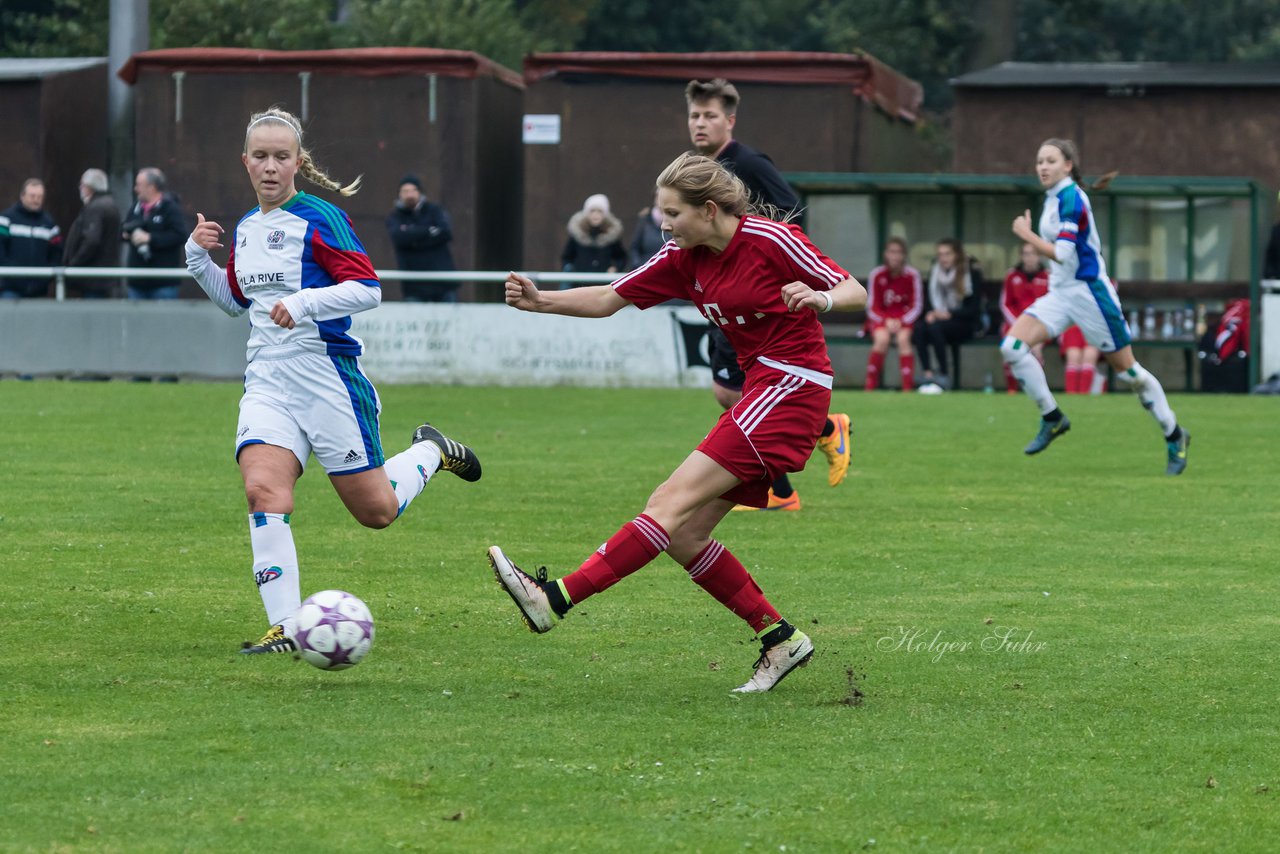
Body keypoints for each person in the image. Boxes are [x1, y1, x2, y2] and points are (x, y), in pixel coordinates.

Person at [491, 153, 867, 693]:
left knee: (667, 505)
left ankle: (553, 600)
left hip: (792, 387)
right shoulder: (682, 256)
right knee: (684, 532)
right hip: (762, 388)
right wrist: (539, 301)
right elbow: (607, 297)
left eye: (671, 212)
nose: (662, 222)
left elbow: (856, 289)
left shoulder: (769, 241)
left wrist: (822, 297)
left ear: (709, 210)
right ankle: (779, 637)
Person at [184, 107, 483, 654]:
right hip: (268, 383)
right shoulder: (247, 228)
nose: (270, 167)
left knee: (376, 512)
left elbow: (368, 288)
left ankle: (431, 452)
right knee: (262, 491)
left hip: (328, 382)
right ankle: (287, 627)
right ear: (245, 162)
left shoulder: (319, 218)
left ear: (298, 162)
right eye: (260, 156)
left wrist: (303, 303)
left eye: (281, 156)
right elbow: (236, 304)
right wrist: (197, 258)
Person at [686, 77, 850, 504]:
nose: (700, 124)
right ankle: (786, 484)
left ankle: (822, 433)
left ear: (730, 120)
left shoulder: (750, 163)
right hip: (719, 292)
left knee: (732, 393)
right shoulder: (698, 170)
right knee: (728, 392)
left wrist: (770, 261)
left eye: (710, 116)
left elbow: (792, 215)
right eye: (694, 115)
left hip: (752, 296)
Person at [1006, 137, 1189, 474]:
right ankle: (1052, 417)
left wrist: (1026, 235)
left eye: (1050, 160)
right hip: (1061, 293)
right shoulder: (1052, 199)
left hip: (1090, 294)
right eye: (1039, 161)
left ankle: (1174, 434)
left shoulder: (1072, 198)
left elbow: (1062, 253)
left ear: (1067, 166)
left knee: (1130, 373)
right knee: (1013, 347)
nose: (1042, 167)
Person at [913, 238, 982, 393]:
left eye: (947, 254)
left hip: (965, 323)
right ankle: (928, 374)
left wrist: (949, 314)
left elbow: (973, 309)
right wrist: (933, 313)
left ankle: (943, 375)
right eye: (940, 254)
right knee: (920, 328)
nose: (943, 258)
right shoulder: (935, 271)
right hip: (942, 319)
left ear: (956, 255)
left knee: (935, 328)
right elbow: (930, 301)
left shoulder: (970, 272)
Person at [386, 174, 458, 302]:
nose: (409, 195)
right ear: (399, 194)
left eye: (413, 190)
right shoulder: (394, 217)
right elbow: (399, 238)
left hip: (443, 285)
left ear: (420, 192)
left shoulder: (435, 210)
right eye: (405, 191)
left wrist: (411, 237)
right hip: (414, 286)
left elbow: (446, 233)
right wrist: (427, 231)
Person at [863, 236, 922, 391]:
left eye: (899, 252)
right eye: (891, 252)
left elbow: (916, 305)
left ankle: (907, 388)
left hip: (903, 320)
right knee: (882, 338)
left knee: (903, 339)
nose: (895, 256)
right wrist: (885, 320)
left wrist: (901, 321)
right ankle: (869, 386)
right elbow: (871, 306)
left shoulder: (912, 275)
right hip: (882, 320)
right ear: (885, 254)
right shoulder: (877, 274)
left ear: (904, 255)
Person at [122, 167, 188, 300]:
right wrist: (127, 235)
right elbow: (124, 228)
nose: (135, 189)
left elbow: (180, 235)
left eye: (139, 185)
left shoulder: (170, 208)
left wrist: (150, 238)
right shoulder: (136, 207)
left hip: (163, 283)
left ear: (151, 187)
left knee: (164, 321)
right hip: (137, 283)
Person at [62, 169, 122, 299]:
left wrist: (74, 263)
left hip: (93, 278)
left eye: (82, 185)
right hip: (106, 277)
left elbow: (92, 241)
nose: (80, 188)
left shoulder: (95, 208)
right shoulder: (110, 205)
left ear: (88, 187)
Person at [999, 242, 1049, 393]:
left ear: (1039, 256)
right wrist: (1019, 324)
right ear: (1021, 256)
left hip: (1040, 324)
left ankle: (1037, 390)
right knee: (1009, 346)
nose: (1029, 258)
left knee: (1036, 348)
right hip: (1015, 323)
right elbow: (1005, 304)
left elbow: (1052, 305)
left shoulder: (1048, 276)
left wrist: (1035, 326)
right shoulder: (1012, 275)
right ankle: (1012, 389)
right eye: (1026, 254)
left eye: (1033, 254)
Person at [0, 179, 61, 299]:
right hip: (11, 289)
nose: (36, 200)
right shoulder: (6, 220)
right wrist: (11, 274)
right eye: (32, 196)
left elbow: (57, 254)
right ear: (22, 196)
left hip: (39, 291)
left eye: (40, 197)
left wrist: (45, 278)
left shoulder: (49, 224)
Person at [560, 193, 626, 282]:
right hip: (579, 283)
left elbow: (621, 257)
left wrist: (615, 268)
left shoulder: (611, 236)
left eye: (599, 211)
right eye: (592, 211)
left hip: (603, 285)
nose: (595, 214)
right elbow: (566, 257)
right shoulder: (578, 234)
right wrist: (571, 269)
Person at [628, 190, 667, 271]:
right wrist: (638, 266)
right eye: (658, 196)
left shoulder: (675, 222)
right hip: (645, 269)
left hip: (668, 271)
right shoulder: (644, 221)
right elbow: (634, 247)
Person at [1058, 325, 1101, 394]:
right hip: (1073, 325)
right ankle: (1070, 395)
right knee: (1073, 358)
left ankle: (1084, 396)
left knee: (1089, 356)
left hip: (1093, 325)